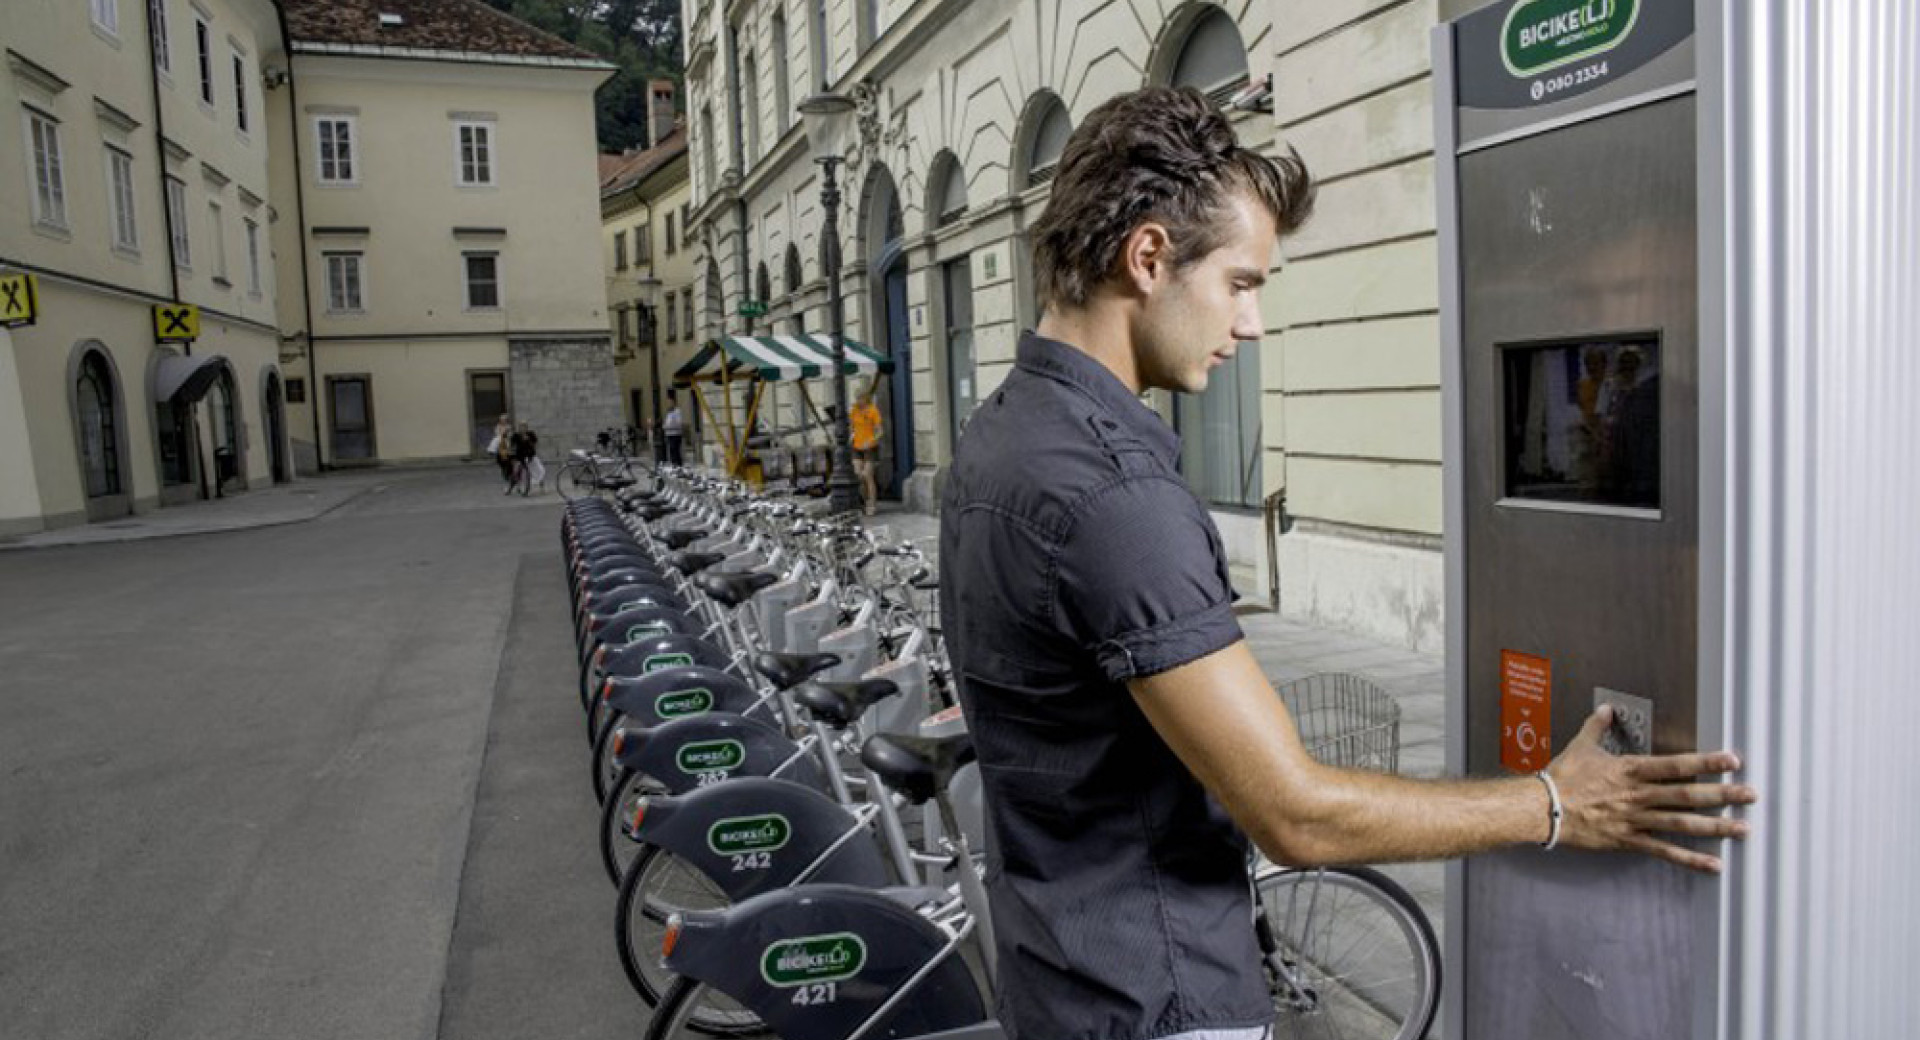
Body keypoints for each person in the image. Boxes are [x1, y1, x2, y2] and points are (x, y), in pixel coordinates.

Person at [937, 85, 1757, 1040]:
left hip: (1056, 977)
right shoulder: (1112, 496)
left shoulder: (998, 438)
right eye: (1242, 284)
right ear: (1149, 257)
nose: (1250, 327)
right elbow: (1298, 817)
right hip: (1156, 1000)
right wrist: (1554, 803)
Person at [849, 382, 883, 516]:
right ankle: (863, 501)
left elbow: (880, 431)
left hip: (869, 447)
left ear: (865, 398)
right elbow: (852, 427)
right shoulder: (854, 411)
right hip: (856, 446)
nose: (858, 401)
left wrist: (872, 440)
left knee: (867, 475)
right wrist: (851, 435)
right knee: (858, 475)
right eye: (856, 398)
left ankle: (872, 504)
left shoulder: (873, 410)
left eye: (860, 398)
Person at [509, 421, 539, 496]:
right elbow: (512, 445)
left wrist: (528, 440)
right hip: (519, 456)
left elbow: (535, 443)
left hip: (530, 455)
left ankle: (527, 489)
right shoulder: (516, 435)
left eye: (524, 427)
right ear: (519, 428)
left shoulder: (530, 434)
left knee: (534, 471)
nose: (523, 428)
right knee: (516, 472)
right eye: (521, 427)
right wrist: (512, 455)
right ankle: (511, 487)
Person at [489, 414, 514, 488]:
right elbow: (497, 434)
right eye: (502, 420)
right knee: (496, 441)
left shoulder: (509, 427)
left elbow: (510, 434)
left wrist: (506, 433)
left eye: (504, 420)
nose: (503, 421)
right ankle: (492, 450)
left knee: (508, 460)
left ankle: (510, 474)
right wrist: (501, 433)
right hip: (500, 443)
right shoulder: (498, 427)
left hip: (506, 442)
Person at [663, 394, 685, 466]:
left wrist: (668, 427)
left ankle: (678, 465)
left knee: (675, 451)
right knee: (671, 451)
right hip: (669, 434)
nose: (668, 404)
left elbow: (679, 423)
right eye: (667, 403)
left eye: (670, 403)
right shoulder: (669, 412)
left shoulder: (677, 411)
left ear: (673, 403)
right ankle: (674, 465)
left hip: (675, 434)